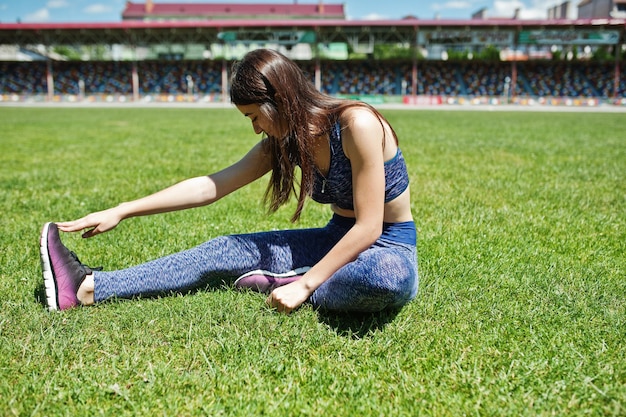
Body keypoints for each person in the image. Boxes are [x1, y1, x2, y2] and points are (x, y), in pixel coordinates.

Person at [39, 48, 418, 314]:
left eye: (255, 116)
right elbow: (210, 186)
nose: (256, 130)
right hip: (335, 239)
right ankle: (89, 288)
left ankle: (300, 281)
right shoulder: (283, 142)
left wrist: (305, 286)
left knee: (382, 277)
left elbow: (369, 228)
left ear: (280, 101)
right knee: (223, 249)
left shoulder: (357, 125)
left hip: (387, 247)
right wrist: (122, 210)